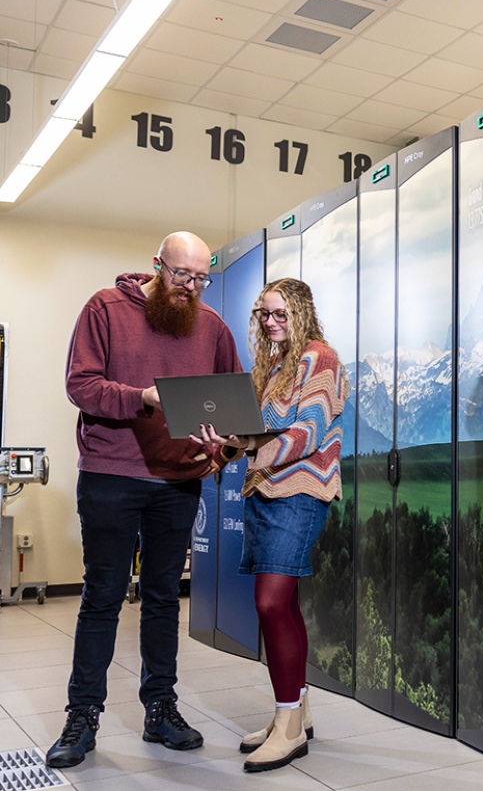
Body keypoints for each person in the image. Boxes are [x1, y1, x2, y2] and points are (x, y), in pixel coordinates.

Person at [49, 231, 242, 769]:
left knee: (162, 599)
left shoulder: (214, 328)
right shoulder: (105, 308)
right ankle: (82, 716)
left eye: (202, 279)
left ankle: (160, 709)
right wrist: (142, 398)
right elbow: (81, 385)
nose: (190, 288)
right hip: (111, 474)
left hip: (179, 480)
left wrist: (220, 448)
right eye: (182, 275)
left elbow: (228, 410)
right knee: (103, 595)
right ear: (157, 266)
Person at [193, 277, 348, 772]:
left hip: (302, 492)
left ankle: (288, 729)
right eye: (264, 313)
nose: (270, 321)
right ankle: (294, 715)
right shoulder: (271, 366)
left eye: (280, 312)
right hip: (263, 489)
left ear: (301, 311)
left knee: (270, 602)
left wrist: (250, 446)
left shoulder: (319, 357)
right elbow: (252, 434)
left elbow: (310, 430)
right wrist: (221, 446)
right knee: (287, 608)